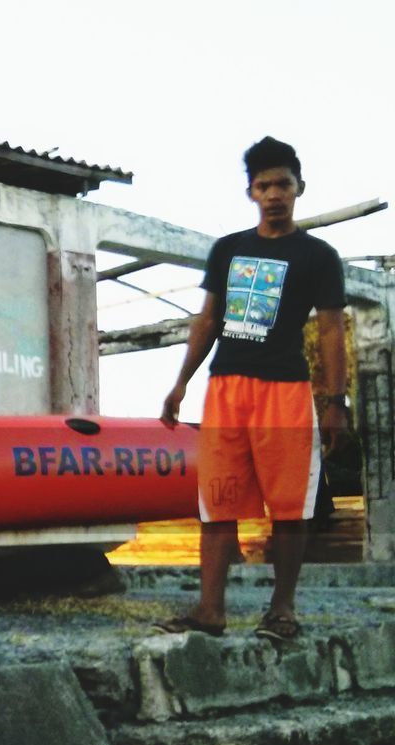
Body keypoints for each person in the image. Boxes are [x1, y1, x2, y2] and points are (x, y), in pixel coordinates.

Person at [155, 136, 349, 643]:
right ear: (250, 193)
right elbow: (209, 319)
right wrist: (180, 383)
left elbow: (331, 329)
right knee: (217, 503)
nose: (274, 194)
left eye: (283, 183)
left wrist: (336, 401)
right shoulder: (229, 250)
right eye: (263, 185)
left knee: (290, 507)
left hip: (285, 391)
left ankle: (281, 611)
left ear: (298, 187)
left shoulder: (319, 256)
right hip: (226, 388)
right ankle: (209, 612)